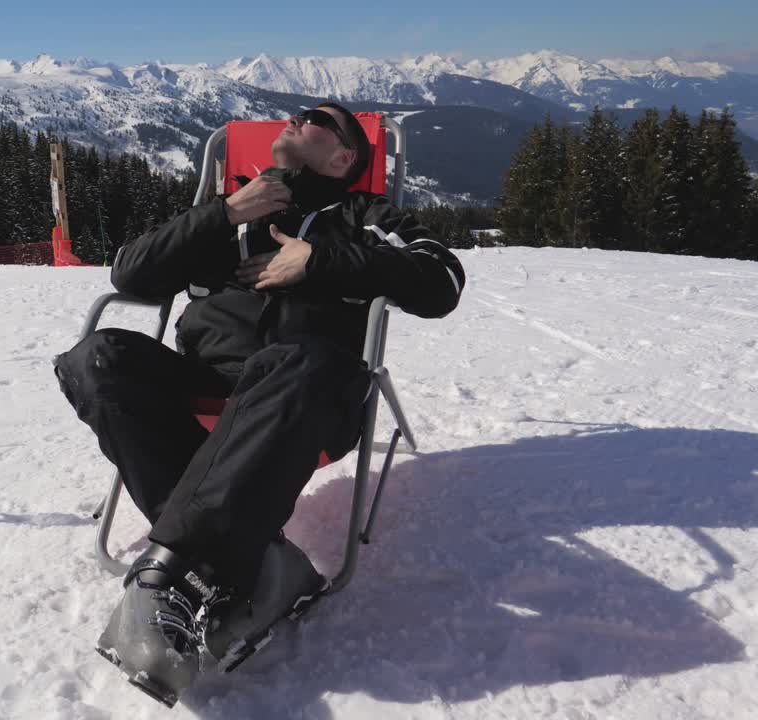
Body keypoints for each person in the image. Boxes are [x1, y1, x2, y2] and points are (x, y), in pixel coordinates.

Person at [53, 102, 466, 705]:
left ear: (345, 157)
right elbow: (130, 273)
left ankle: (171, 576)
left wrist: (318, 262)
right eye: (293, 115)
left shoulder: (360, 214)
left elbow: (443, 280)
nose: (295, 120)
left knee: (299, 357)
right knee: (98, 356)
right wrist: (224, 212)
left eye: (316, 119)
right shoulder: (226, 215)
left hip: (303, 391)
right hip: (206, 386)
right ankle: (262, 565)